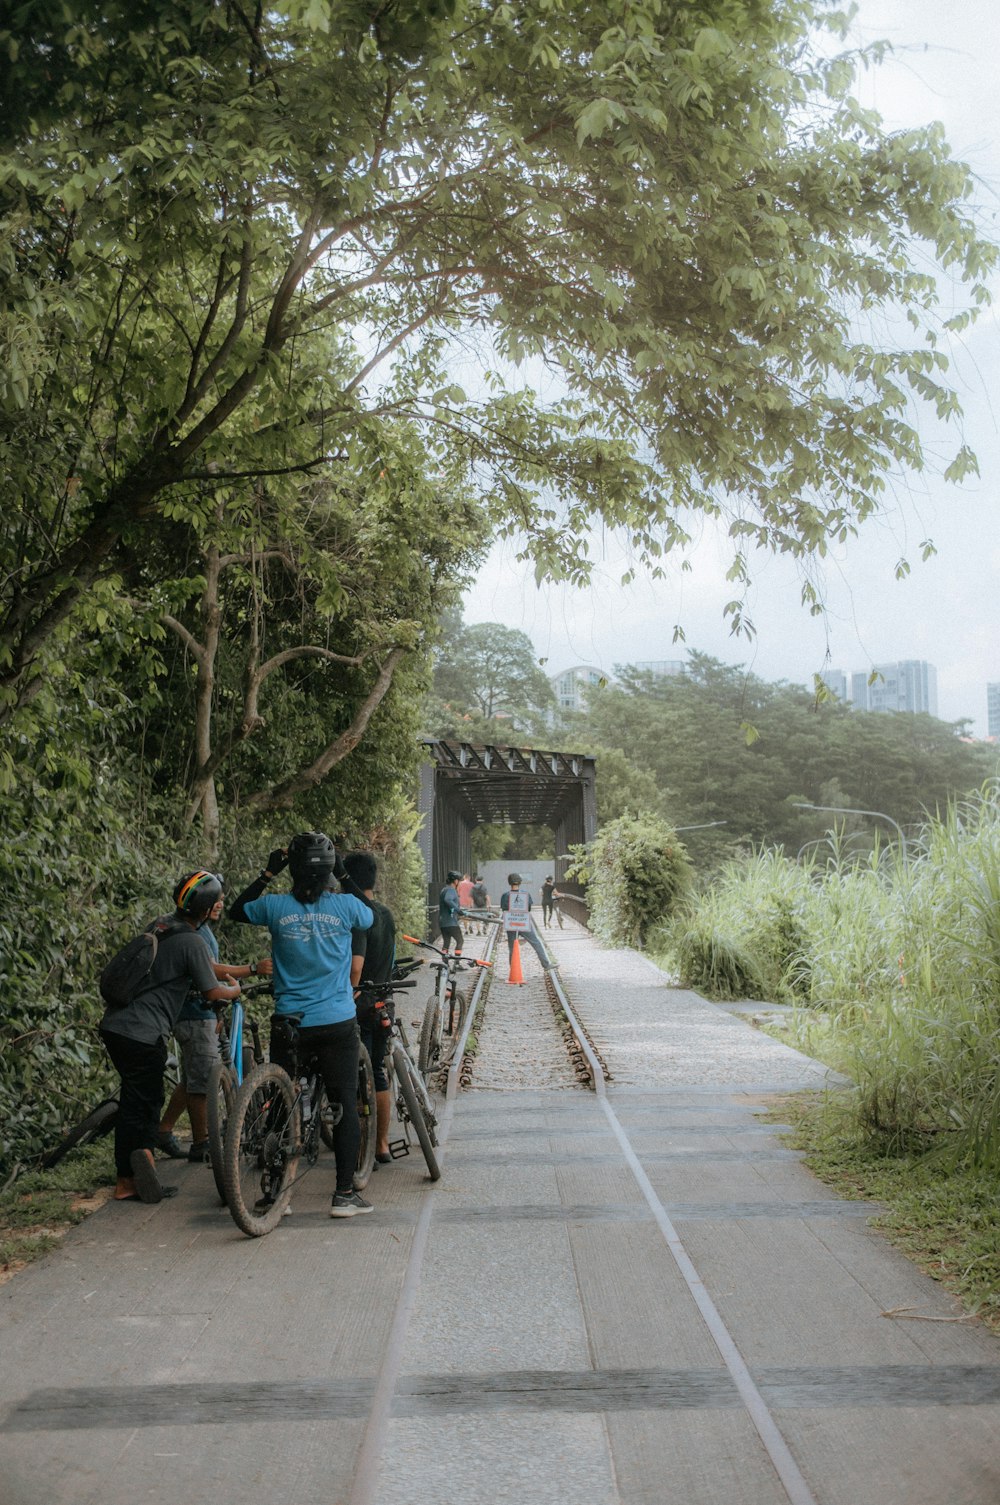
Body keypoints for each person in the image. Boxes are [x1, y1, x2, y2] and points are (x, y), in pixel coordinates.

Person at [228, 832, 375, 1218]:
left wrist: (265, 873)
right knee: (344, 1104)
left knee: (282, 1100)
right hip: (337, 1023)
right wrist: (344, 875)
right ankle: (344, 1195)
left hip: (290, 1023)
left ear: (290, 869)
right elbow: (370, 913)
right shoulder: (345, 907)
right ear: (330, 870)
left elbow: (237, 910)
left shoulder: (274, 907)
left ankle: (275, 1190)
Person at [99, 871, 241, 1204]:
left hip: (115, 1024)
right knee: (144, 1103)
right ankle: (131, 1176)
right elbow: (211, 992)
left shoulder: (159, 925)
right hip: (142, 1034)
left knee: (137, 1101)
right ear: (206, 911)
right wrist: (235, 991)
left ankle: (133, 1171)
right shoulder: (194, 941)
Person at [156, 883, 272, 1163]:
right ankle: (202, 1142)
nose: (220, 904)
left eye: (221, 899)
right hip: (193, 1011)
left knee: (196, 1074)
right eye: (215, 901)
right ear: (201, 906)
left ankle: (164, 1129)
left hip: (202, 1009)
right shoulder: (187, 931)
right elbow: (206, 968)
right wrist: (252, 970)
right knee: (203, 1080)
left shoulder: (184, 925)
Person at [342, 850, 397, 1165]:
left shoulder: (355, 915)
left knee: (354, 1076)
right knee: (377, 1071)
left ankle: (359, 1149)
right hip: (383, 1001)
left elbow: (354, 969)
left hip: (356, 1003)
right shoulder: (385, 913)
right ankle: (382, 1145)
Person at [499, 872, 553, 972]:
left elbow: (503, 909)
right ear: (520, 882)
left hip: (510, 923)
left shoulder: (505, 895)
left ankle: (513, 971)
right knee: (536, 942)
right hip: (523, 922)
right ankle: (546, 965)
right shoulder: (525, 894)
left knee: (512, 947)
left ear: (509, 883)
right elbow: (528, 909)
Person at [438, 869, 464, 954]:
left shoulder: (444, 890)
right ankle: (457, 962)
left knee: (446, 943)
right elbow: (448, 900)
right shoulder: (451, 890)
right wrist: (458, 910)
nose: (460, 883)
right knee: (460, 941)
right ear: (455, 881)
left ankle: (445, 963)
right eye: (459, 881)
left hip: (443, 922)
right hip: (451, 922)